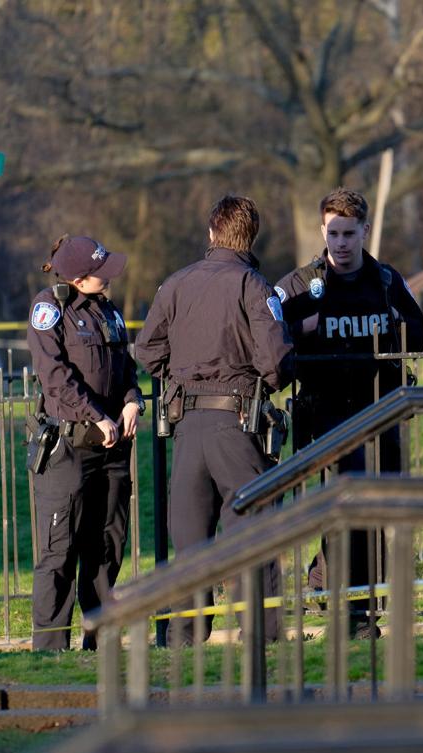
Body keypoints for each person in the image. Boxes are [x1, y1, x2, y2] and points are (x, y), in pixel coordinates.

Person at [135, 195, 294, 646]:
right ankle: (260, 630)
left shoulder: (176, 283)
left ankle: (185, 633)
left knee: (189, 531)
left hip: (185, 422)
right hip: (237, 422)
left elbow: (147, 350)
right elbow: (276, 362)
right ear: (251, 236)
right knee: (252, 523)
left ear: (212, 233)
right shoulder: (253, 285)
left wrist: (179, 377)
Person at [275, 187, 423, 637]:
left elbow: (421, 334)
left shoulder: (384, 280)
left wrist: (398, 330)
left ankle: (340, 591)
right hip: (325, 416)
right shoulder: (302, 284)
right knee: (347, 508)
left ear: (364, 232)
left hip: (378, 412)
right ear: (323, 231)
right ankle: (354, 610)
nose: (340, 243)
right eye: (333, 233)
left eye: (348, 234)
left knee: (374, 509)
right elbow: (267, 335)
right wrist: (299, 329)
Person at [26, 235, 144, 651]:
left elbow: (126, 367)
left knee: (107, 547)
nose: (109, 278)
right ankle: (49, 650)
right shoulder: (50, 309)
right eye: (101, 272)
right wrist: (95, 415)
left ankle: (99, 640)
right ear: (78, 277)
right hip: (69, 447)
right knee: (60, 551)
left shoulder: (108, 311)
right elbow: (54, 375)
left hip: (113, 449)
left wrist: (133, 402)